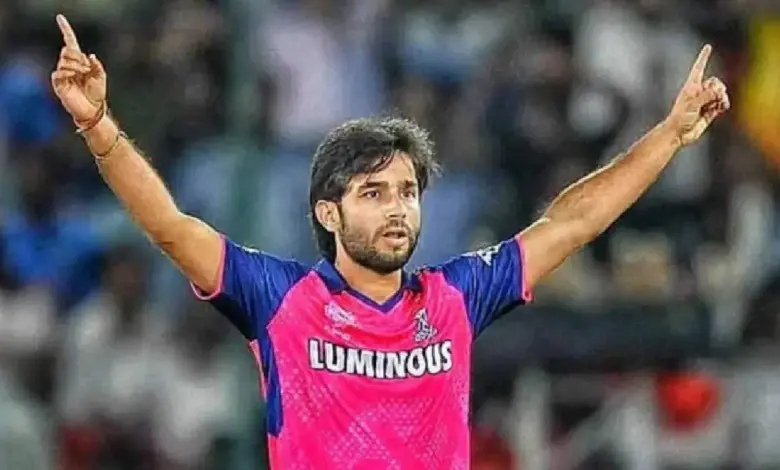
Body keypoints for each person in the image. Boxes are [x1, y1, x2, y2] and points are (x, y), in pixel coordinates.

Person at [50, 13, 729, 470]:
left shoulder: (456, 296)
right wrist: (98, 125)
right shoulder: (281, 298)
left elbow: (573, 222)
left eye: (407, 191)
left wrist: (669, 134)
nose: (398, 208)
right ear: (329, 213)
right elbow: (171, 227)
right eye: (374, 193)